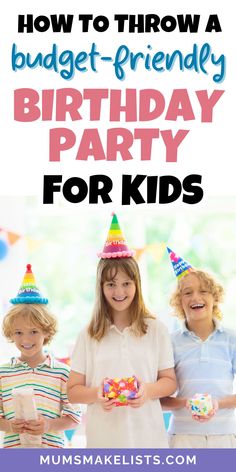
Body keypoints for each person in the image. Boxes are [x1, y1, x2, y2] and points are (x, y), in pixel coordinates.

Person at [67, 213, 176, 448]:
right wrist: (97, 394)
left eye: (127, 283)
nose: (119, 291)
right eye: (111, 284)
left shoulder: (156, 329)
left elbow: (169, 382)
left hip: (149, 440)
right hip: (103, 442)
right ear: (101, 287)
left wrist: (146, 390)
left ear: (137, 284)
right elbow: (73, 392)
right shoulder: (89, 334)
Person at [161, 247, 236, 448]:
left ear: (215, 298)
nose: (196, 297)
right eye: (187, 293)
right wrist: (185, 403)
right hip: (182, 438)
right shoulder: (169, 342)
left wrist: (218, 404)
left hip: (226, 437)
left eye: (203, 291)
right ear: (179, 302)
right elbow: (159, 400)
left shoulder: (232, 339)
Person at [0, 264, 81, 448]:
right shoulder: (3, 373)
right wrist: (10, 426)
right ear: (11, 333)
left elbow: (74, 417)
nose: (26, 339)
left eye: (34, 331)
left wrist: (50, 425)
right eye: (18, 332)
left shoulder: (62, 373)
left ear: (46, 331)